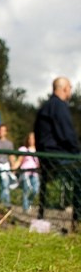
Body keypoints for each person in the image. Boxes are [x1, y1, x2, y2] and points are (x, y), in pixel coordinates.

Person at [34, 76, 80, 229]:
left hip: (45, 156)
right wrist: (77, 151)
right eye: (70, 88)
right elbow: (67, 135)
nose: (71, 92)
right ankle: (78, 218)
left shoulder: (46, 106)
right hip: (55, 156)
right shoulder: (59, 106)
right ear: (65, 88)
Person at [13, 132, 40, 212]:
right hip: (26, 172)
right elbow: (19, 160)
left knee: (36, 190)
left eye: (33, 138)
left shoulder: (38, 150)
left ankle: (29, 202)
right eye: (30, 138)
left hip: (35, 172)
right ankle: (26, 209)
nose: (31, 140)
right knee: (26, 190)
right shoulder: (24, 149)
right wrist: (14, 168)